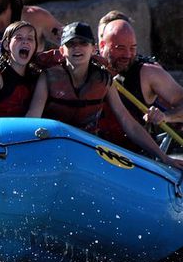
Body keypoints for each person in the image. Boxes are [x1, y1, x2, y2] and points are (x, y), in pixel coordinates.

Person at [26, 21, 182, 168]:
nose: (77, 48)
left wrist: (164, 157)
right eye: (71, 44)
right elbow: (33, 117)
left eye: (83, 43)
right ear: (62, 50)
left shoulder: (104, 80)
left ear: (93, 49)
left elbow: (128, 123)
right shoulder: (48, 77)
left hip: (88, 149)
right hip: (55, 145)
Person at [98, 18, 183, 149]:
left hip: (137, 156)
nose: (127, 55)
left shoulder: (148, 73)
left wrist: (166, 116)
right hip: (94, 147)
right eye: (120, 48)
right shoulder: (89, 66)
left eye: (132, 48)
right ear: (102, 45)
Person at [0, 21, 41, 117]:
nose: (25, 41)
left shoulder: (36, 76)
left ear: (35, 47)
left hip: (24, 129)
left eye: (30, 38)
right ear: (6, 45)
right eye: (19, 38)